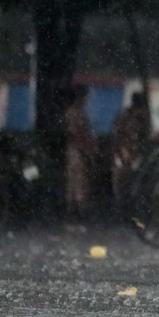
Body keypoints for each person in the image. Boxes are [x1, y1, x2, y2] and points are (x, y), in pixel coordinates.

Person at [110, 91, 152, 206]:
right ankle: (123, 203)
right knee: (123, 179)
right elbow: (118, 135)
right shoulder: (128, 116)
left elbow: (145, 135)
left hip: (134, 153)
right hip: (125, 152)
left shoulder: (138, 117)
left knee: (132, 179)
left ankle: (128, 202)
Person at [64, 85, 97, 225]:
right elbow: (77, 135)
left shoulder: (75, 114)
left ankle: (74, 214)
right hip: (76, 153)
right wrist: (88, 150)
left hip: (76, 152)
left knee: (75, 184)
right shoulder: (75, 114)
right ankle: (77, 215)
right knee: (78, 184)